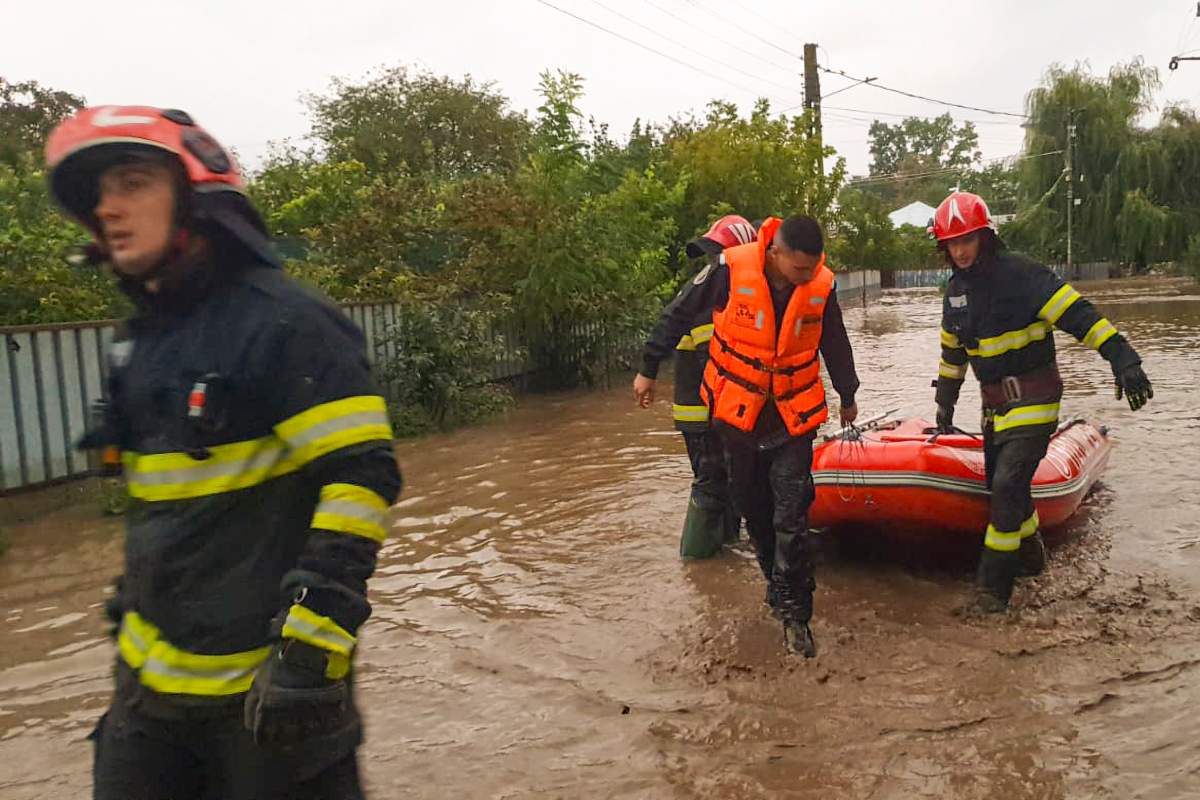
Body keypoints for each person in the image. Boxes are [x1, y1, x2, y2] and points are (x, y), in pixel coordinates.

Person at [45, 105, 403, 798]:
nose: (108, 209)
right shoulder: (139, 340)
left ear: (197, 196)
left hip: (268, 708)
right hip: (148, 706)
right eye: (98, 195)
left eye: (131, 183)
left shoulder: (287, 323)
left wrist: (309, 656)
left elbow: (361, 476)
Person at [634, 216, 860, 656]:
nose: (806, 278)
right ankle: (777, 590)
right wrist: (648, 369)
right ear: (774, 252)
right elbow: (677, 312)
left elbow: (835, 339)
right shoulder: (727, 271)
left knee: (792, 516)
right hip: (738, 417)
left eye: (812, 269)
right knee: (755, 512)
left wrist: (848, 394)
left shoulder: (820, 285)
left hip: (792, 418)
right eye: (798, 270)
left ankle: (798, 617)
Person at [930, 191, 1152, 613]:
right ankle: (1031, 556)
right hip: (994, 407)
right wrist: (944, 404)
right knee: (1004, 490)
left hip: (1036, 397)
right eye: (952, 243)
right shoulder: (955, 294)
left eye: (967, 240)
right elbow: (952, 355)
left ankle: (991, 592)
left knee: (1009, 483)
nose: (959, 250)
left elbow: (1078, 315)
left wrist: (1122, 356)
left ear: (986, 237)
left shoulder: (1023, 276)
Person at [655, 214, 756, 558]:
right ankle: (697, 560)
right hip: (706, 413)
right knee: (713, 482)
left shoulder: (712, 298)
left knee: (726, 482)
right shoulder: (712, 304)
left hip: (706, 411)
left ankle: (723, 550)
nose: (714, 264)